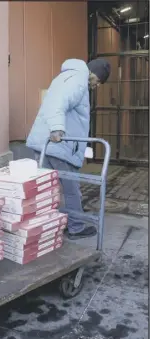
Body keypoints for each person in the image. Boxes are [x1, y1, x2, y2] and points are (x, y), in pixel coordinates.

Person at [26, 58, 110, 240]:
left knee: (47, 189)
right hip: (59, 146)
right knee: (71, 188)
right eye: (98, 82)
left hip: (44, 145)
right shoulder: (78, 79)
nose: (96, 86)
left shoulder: (65, 76)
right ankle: (76, 227)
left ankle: (46, 229)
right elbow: (58, 102)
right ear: (94, 74)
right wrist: (57, 129)